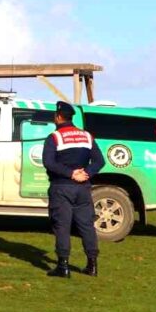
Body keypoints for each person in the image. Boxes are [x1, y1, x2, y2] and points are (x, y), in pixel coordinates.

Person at [42, 101, 106, 278]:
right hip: (83, 188)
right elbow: (100, 162)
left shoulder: (54, 137)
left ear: (58, 117)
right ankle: (92, 265)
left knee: (62, 226)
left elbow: (49, 163)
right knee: (87, 226)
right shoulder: (87, 136)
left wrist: (70, 173)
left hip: (62, 186)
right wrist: (86, 173)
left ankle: (63, 266)